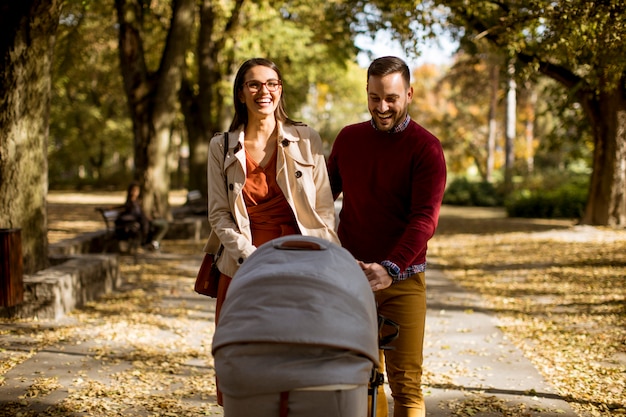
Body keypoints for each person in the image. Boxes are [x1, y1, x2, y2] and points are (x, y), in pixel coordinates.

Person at [203, 57, 339, 405]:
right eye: (254, 84)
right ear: (241, 93)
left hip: (299, 262)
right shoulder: (221, 146)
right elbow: (219, 215)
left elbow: (324, 208)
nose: (264, 91)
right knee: (244, 359)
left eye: (272, 84)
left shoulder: (306, 138)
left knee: (296, 356)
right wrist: (249, 256)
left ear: (280, 90)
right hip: (241, 263)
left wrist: (324, 258)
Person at [327, 56, 447, 417]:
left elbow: (424, 220)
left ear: (408, 94)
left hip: (403, 282)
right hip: (350, 280)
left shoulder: (426, 148)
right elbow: (319, 201)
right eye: (375, 97)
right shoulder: (349, 139)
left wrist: (389, 268)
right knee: (359, 380)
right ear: (366, 91)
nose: (382, 107)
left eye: (392, 98)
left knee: (406, 385)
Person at [117, 181, 169, 251]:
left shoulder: (137, 202)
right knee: (163, 225)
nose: (135, 192)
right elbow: (133, 214)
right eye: (134, 190)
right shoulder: (130, 203)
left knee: (163, 224)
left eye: (137, 190)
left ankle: (154, 242)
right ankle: (154, 243)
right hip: (142, 223)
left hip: (145, 222)